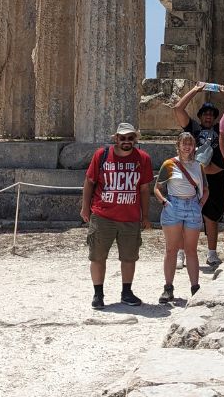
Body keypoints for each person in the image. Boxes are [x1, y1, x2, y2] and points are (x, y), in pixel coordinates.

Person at [80, 122, 153, 309]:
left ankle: (126, 292)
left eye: (130, 138)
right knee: (97, 256)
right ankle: (98, 294)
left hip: (130, 216)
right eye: (123, 138)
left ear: (135, 139)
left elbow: (144, 189)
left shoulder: (143, 158)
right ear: (116, 139)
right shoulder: (101, 155)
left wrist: (145, 216)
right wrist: (85, 207)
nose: (127, 141)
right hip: (102, 214)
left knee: (129, 257)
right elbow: (89, 182)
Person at [172, 84, 224, 267]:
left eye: (211, 114)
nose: (208, 116)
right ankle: (181, 253)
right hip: (194, 178)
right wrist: (195, 90)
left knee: (212, 217)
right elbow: (178, 108)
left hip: (216, 177)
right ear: (200, 116)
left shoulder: (220, 129)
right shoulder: (192, 129)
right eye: (205, 113)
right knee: (186, 216)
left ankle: (211, 254)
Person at [154, 132, 207, 302]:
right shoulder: (169, 164)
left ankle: (195, 288)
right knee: (171, 249)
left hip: (192, 205)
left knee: (191, 249)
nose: (187, 146)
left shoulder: (199, 166)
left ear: (194, 147)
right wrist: (164, 202)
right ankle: (168, 288)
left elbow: (205, 189)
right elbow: (157, 188)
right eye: (184, 143)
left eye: (190, 143)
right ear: (178, 145)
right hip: (173, 205)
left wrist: (200, 205)